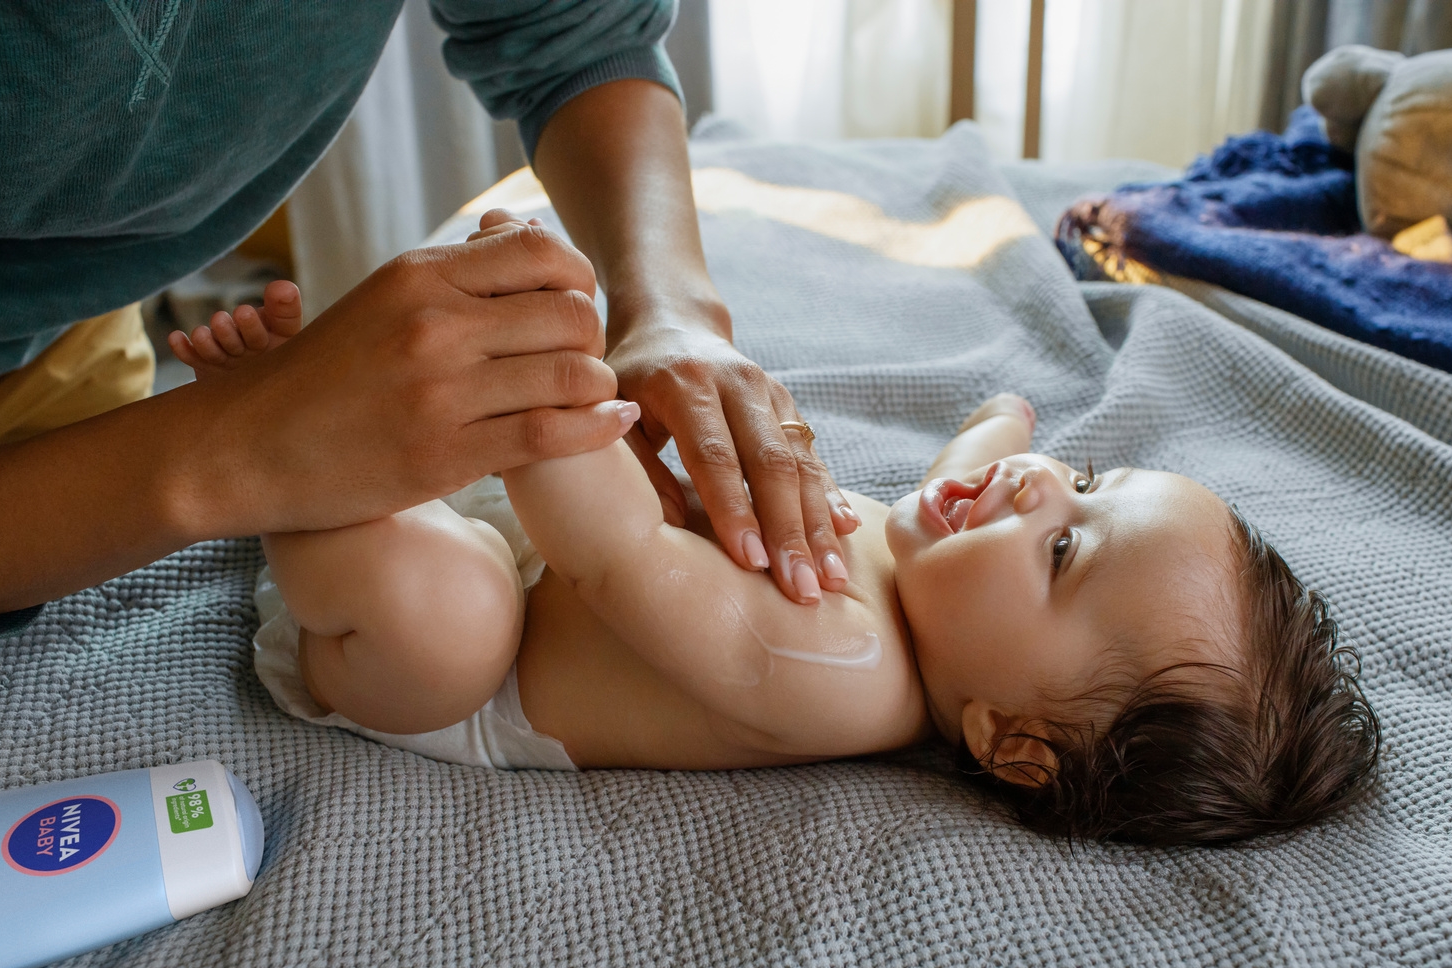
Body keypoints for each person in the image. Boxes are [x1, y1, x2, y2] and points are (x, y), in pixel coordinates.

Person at [183, 233, 1380, 846]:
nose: (1039, 492)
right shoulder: (940, 575)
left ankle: (303, 480)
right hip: (533, 541)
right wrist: (1000, 423)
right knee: (468, 551)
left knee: (446, 616)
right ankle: (343, 446)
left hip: (477, 666)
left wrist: (545, 386)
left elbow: (624, 560)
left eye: (1065, 549)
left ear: (1011, 741)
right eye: (1087, 477)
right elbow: (977, 469)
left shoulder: (843, 676)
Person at [0, 0, 853, 636]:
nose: (996, 485)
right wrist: (229, 448)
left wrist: (671, 308)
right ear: (995, 732)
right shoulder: (868, 678)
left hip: (61, 343)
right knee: (443, 629)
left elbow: (578, 41)